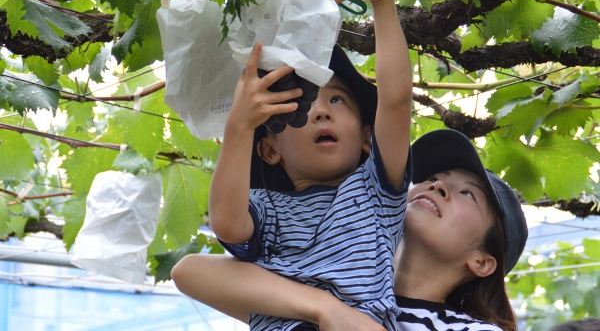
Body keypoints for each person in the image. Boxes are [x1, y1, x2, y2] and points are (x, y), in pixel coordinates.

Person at [172, 0, 412, 330]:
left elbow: (395, 101)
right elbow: (228, 225)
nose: (320, 113)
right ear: (269, 150)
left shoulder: (375, 192)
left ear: (367, 137)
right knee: (187, 268)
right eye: (301, 105)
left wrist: (383, 3)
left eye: (336, 101)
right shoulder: (268, 209)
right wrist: (239, 126)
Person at [173, 129, 529, 331]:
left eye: (468, 193)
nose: (435, 186)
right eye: (432, 178)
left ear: (483, 262)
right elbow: (190, 271)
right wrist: (326, 309)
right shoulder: (336, 290)